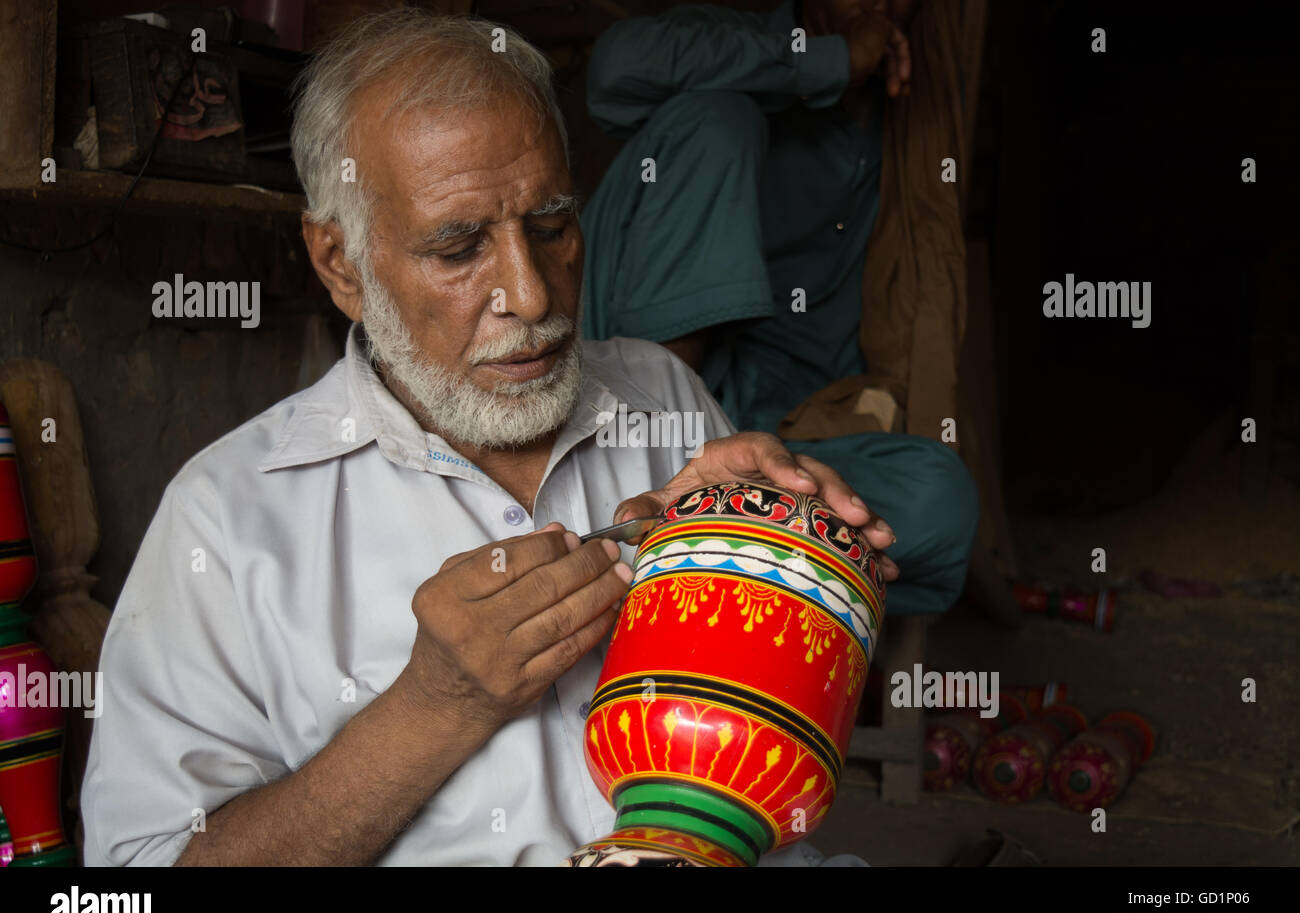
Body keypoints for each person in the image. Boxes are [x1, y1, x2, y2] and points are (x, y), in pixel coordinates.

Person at [80, 10, 897, 866]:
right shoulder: (229, 518)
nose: (533, 295)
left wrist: (767, 549)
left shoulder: (660, 392)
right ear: (341, 265)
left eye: (549, 226)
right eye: (459, 246)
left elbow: (773, 727)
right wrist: (434, 708)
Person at [581, 0, 978, 615]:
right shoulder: (750, 38)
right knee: (717, 118)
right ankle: (657, 505)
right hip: (629, 407)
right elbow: (616, 68)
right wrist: (833, 61)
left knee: (939, 493)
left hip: (773, 440)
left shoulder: (905, 118)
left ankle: (704, 557)